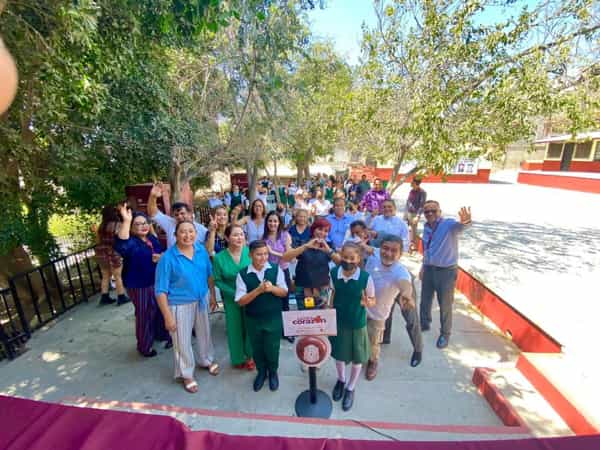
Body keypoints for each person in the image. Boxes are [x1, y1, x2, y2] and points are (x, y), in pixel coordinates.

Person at [155, 221, 220, 394]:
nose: (187, 235)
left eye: (191, 231)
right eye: (183, 232)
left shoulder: (201, 251)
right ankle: (186, 374)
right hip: (179, 305)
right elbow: (160, 290)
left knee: (205, 333)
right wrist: (167, 316)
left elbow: (209, 275)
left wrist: (212, 295)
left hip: (202, 299)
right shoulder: (168, 258)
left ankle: (206, 359)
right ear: (175, 235)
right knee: (182, 341)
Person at [363, 235, 423, 380]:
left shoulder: (401, 272)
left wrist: (407, 295)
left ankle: (374, 362)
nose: (388, 253)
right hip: (364, 307)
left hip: (385, 307)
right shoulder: (376, 253)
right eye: (385, 249)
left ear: (400, 254)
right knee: (364, 335)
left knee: (410, 319)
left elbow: (405, 284)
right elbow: (367, 248)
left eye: (394, 251)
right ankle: (379, 342)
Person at [114, 206, 170, 357]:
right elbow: (121, 245)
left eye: (144, 223)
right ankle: (145, 346)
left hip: (156, 280)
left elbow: (161, 251)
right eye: (137, 224)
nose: (143, 226)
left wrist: (161, 257)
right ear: (131, 228)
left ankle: (161, 334)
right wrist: (126, 220)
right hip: (139, 284)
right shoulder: (131, 242)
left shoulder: (151, 238)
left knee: (160, 310)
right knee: (145, 314)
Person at [235, 240, 289, 392]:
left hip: (273, 318)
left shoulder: (275, 269)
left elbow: (284, 292)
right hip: (253, 319)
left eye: (265, 254)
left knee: (272, 347)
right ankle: (261, 372)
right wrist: (258, 291)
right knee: (257, 347)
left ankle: (273, 372)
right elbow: (240, 301)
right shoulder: (243, 274)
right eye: (259, 254)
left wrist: (272, 289)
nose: (263, 257)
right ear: (250, 255)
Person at [329, 242, 376, 411]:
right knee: (339, 354)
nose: (347, 261)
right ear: (340, 256)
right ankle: (341, 380)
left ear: (358, 259)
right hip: (339, 321)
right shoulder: (334, 273)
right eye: (344, 257)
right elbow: (332, 293)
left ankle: (350, 387)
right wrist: (328, 309)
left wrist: (367, 302)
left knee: (357, 357)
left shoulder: (365, 278)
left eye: (352, 258)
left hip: (357, 322)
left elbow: (372, 300)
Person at [420, 201, 472, 349]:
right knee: (425, 299)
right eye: (427, 212)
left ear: (439, 212)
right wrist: (423, 266)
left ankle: (445, 334)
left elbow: (461, 227)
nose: (430, 214)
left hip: (446, 272)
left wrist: (466, 221)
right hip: (429, 268)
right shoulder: (426, 227)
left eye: (433, 211)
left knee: (445, 304)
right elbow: (427, 249)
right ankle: (424, 323)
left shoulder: (448, 225)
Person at [212, 224, 254, 370]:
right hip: (231, 298)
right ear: (227, 237)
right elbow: (217, 280)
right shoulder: (219, 258)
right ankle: (238, 358)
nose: (239, 237)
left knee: (250, 327)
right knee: (234, 328)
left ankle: (250, 356)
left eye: (241, 234)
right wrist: (234, 293)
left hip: (250, 296)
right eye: (235, 235)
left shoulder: (250, 252)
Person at [283, 218, 341, 307]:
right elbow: (286, 258)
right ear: (314, 229)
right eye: (320, 229)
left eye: (326, 231)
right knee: (303, 318)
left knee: (321, 318)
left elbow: (340, 263)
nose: (322, 233)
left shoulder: (329, 245)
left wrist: (328, 250)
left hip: (322, 290)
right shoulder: (302, 242)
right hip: (303, 289)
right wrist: (306, 246)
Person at [263, 211, 294, 344]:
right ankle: (274, 330)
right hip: (270, 272)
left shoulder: (285, 236)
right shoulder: (263, 238)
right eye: (270, 221)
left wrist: (272, 252)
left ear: (279, 222)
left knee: (285, 302)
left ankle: (287, 331)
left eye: (275, 221)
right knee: (271, 303)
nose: (272, 224)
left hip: (284, 270)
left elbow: (289, 256)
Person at [147, 183, 207, 248]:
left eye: (182, 213)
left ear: (189, 213)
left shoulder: (202, 230)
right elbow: (153, 213)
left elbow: (209, 249)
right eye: (176, 215)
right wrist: (153, 196)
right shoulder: (170, 223)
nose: (179, 216)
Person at [95, 205, 126, 305]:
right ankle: (121, 296)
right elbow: (121, 238)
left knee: (105, 275)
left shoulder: (101, 226)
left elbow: (98, 240)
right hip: (113, 252)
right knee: (118, 276)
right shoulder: (117, 225)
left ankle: (104, 297)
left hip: (101, 252)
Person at [405, 178, 427, 253]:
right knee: (407, 229)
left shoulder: (422, 192)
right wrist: (405, 213)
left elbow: (422, 205)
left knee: (414, 230)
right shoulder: (411, 191)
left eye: (412, 182)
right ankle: (408, 244)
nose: (411, 183)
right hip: (408, 212)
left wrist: (418, 216)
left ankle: (413, 247)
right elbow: (408, 201)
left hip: (415, 214)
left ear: (416, 183)